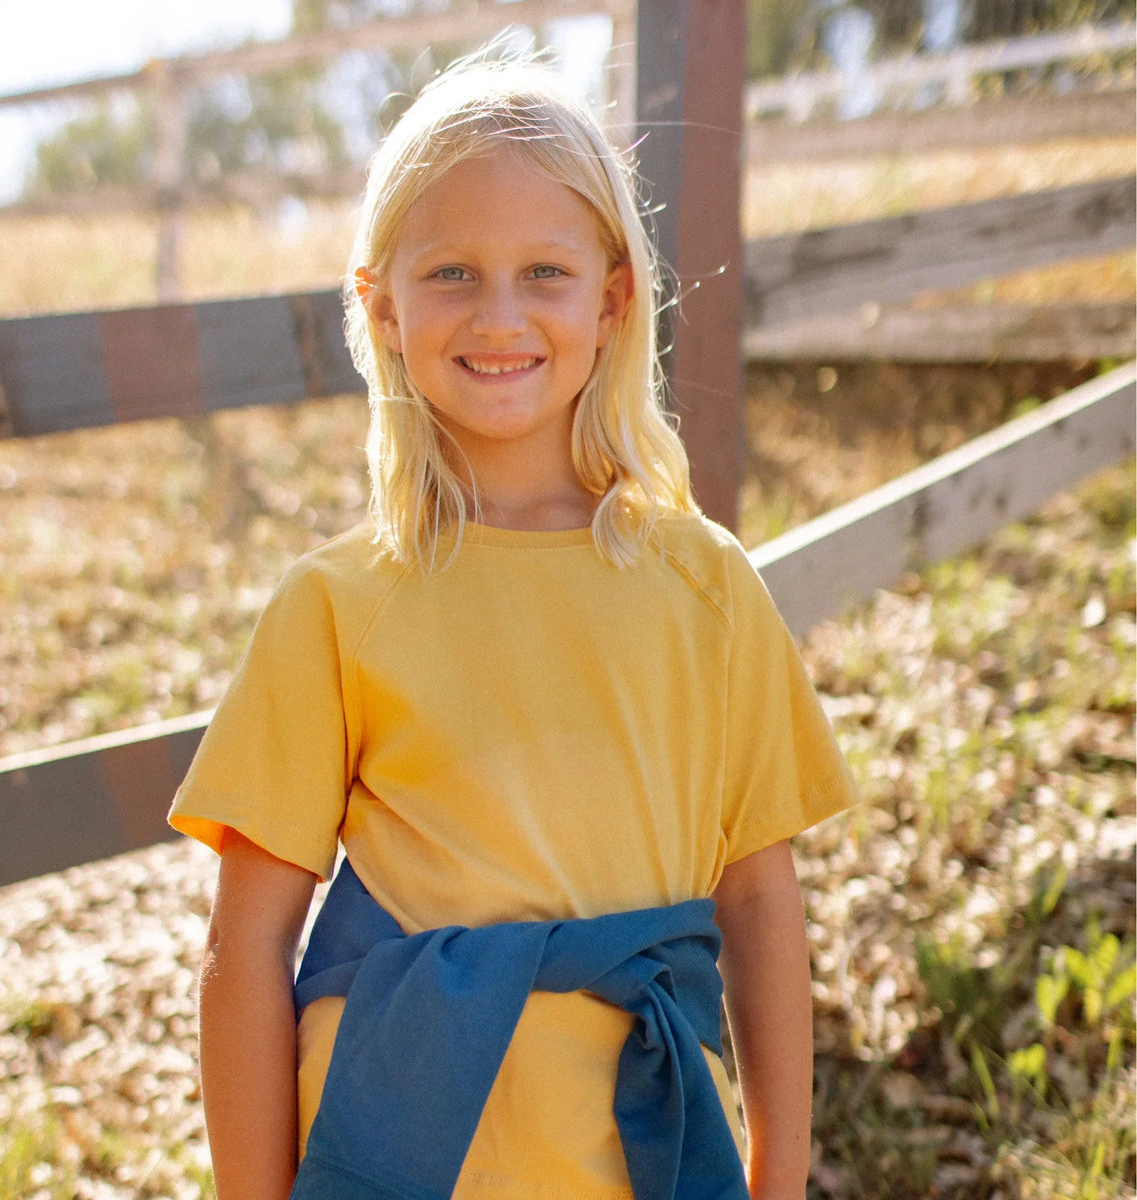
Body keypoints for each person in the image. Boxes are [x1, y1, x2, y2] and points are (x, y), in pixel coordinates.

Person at [169, 52, 857, 1200]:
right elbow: (244, 953)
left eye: (545, 269)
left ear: (612, 298)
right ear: (379, 305)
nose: (500, 316)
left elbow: (759, 901)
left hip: (650, 1151)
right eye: (450, 273)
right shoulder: (336, 603)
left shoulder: (707, 584)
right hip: (399, 1157)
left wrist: (780, 1176)